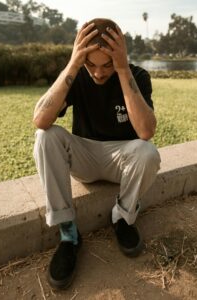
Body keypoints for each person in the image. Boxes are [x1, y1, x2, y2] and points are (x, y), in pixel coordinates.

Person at [33, 18, 161, 290]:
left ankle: (122, 218)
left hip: (121, 159)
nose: (99, 73)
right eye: (91, 64)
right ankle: (68, 233)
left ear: (120, 54)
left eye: (107, 65)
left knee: (147, 152)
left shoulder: (137, 76)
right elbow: (40, 119)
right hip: (84, 155)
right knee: (46, 136)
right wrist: (73, 64)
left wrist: (122, 68)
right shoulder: (77, 75)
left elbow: (146, 131)